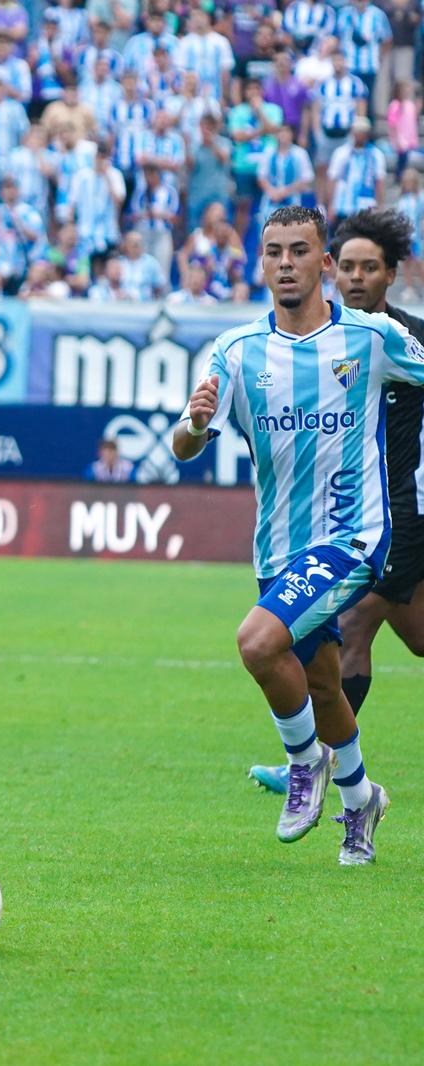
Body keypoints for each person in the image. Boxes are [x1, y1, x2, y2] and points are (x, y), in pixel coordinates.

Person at [171, 205, 424, 866]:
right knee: (320, 683)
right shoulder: (236, 350)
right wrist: (195, 427)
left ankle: (304, 763)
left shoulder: (371, 339)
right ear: (262, 262)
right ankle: (362, 797)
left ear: (325, 265)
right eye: (274, 251)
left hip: (352, 538)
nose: (286, 263)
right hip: (278, 548)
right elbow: (184, 445)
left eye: (299, 251)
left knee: (257, 642)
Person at [246, 208, 424, 794]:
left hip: (395, 514)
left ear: (390, 275)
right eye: (346, 266)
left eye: (367, 268)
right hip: (329, 526)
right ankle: (342, 777)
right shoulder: (315, 344)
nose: (354, 278)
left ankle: (319, 760)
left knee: (350, 622)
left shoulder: (396, 339)